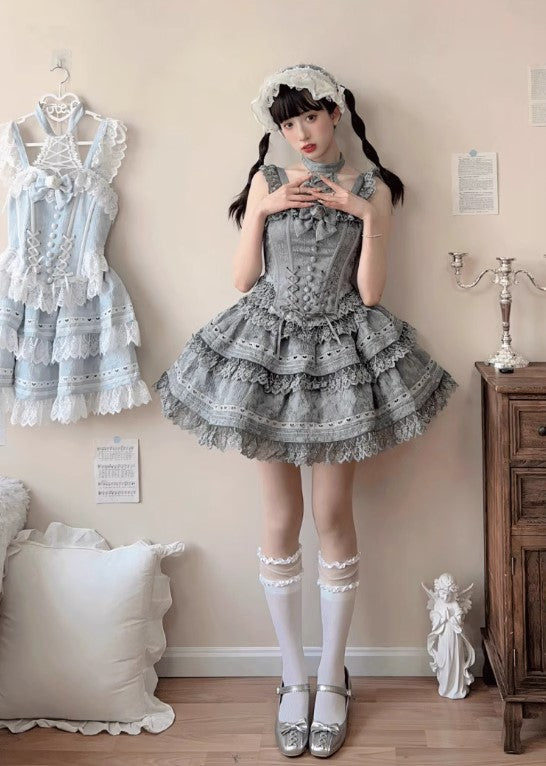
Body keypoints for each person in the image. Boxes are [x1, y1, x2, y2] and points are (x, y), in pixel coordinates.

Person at [155, 63, 458, 758]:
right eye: (288, 123)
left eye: (311, 118)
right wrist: (264, 209)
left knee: (331, 516)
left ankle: (331, 679)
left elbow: (371, 293)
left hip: (341, 353)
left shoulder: (373, 187)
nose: (301, 134)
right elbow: (242, 278)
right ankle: (293, 679)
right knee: (280, 518)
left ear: (336, 115)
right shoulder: (267, 181)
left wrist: (362, 213)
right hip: (266, 352)